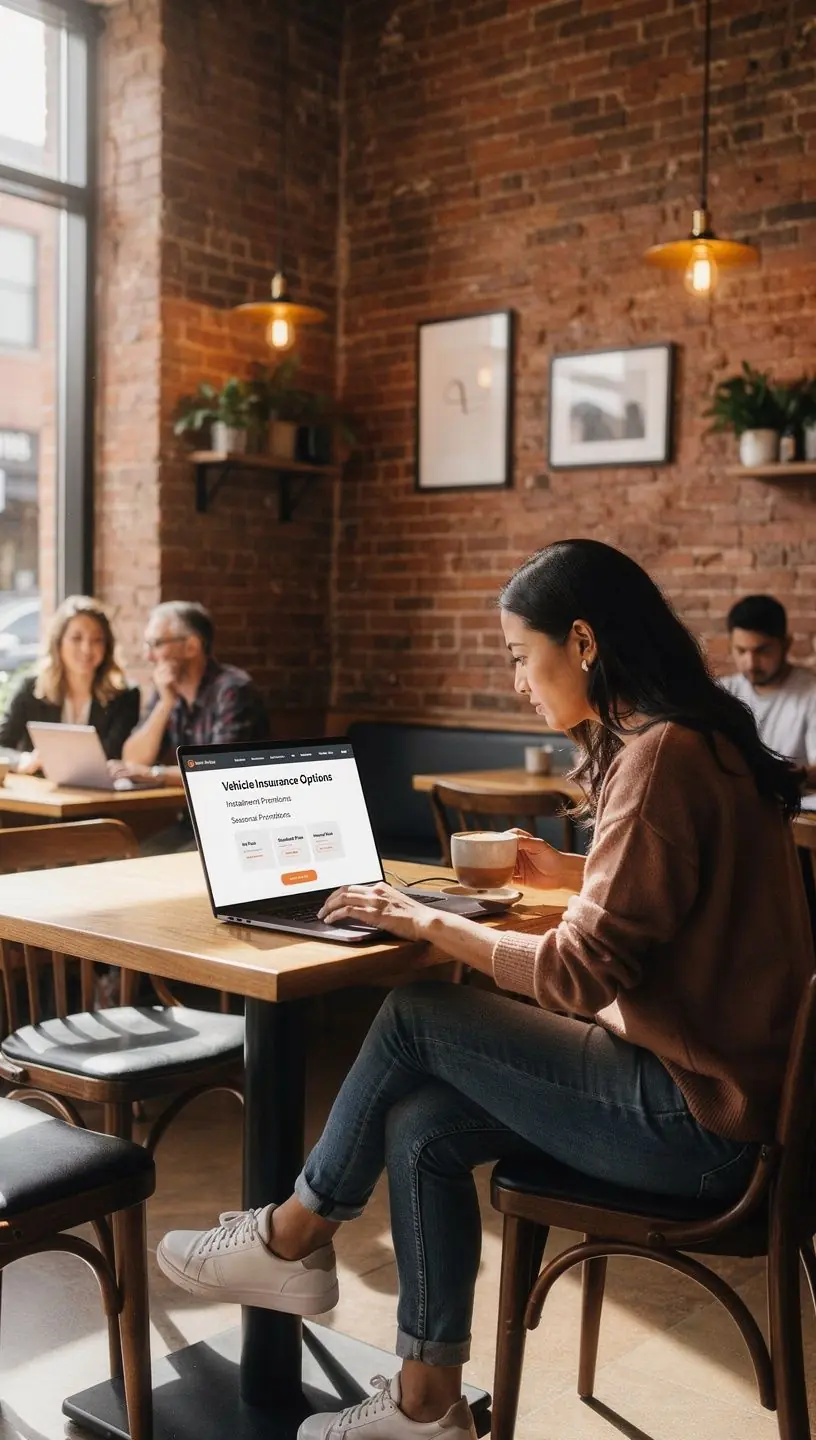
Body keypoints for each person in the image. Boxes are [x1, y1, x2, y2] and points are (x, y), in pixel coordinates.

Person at [157, 541, 813, 1440]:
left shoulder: (660, 756)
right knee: (420, 1123)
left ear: (582, 642)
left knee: (419, 1012)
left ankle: (292, 1237)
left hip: (700, 1126)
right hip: (743, 1111)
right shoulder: (703, 738)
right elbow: (689, 897)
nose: (515, 680)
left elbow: (578, 978)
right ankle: (427, 1408)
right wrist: (570, 873)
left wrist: (425, 920)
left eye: (517, 653)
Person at [116, 600, 269, 853]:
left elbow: (217, 774)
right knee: (130, 859)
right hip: (194, 824)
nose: (148, 656)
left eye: (156, 644)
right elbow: (132, 758)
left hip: (238, 827)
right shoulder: (168, 691)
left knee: (151, 866)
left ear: (191, 646)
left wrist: (156, 775)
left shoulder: (233, 690)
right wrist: (165, 703)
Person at [0, 594, 140, 772]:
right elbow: (2, 747)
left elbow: (114, 755)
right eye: (76, 638)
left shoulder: (125, 696)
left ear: (107, 647)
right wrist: (23, 760)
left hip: (99, 794)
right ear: (58, 643)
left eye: (97, 640)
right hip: (40, 792)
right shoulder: (32, 688)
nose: (86, 649)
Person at [722, 594, 816, 784]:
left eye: (762, 651)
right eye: (741, 651)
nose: (751, 663)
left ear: (786, 644)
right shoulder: (724, 692)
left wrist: (786, 778)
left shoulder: (811, 693)